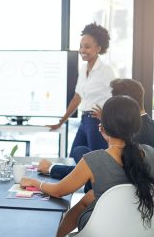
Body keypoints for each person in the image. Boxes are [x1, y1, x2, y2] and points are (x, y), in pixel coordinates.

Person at [21, 95, 154, 237]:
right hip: (142, 227)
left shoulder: (94, 160)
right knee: (89, 198)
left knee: (89, 198)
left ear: (104, 126)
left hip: (103, 231)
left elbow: (58, 191)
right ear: (137, 124)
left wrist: (35, 182)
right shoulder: (149, 152)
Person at [39, 79, 154, 186]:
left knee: (82, 153)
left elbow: (103, 170)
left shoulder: (131, 132)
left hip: (114, 187)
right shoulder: (146, 125)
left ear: (123, 102)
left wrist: (52, 168)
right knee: (80, 150)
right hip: (138, 188)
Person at [47, 23, 115, 158]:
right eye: (81, 46)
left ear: (98, 48)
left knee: (97, 162)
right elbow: (77, 97)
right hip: (84, 120)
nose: (82, 50)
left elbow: (116, 97)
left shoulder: (105, 70)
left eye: (87, 46)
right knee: (74, 158)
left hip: (97, 122)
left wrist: (105, 116)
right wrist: (61, 122)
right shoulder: (84, 68)